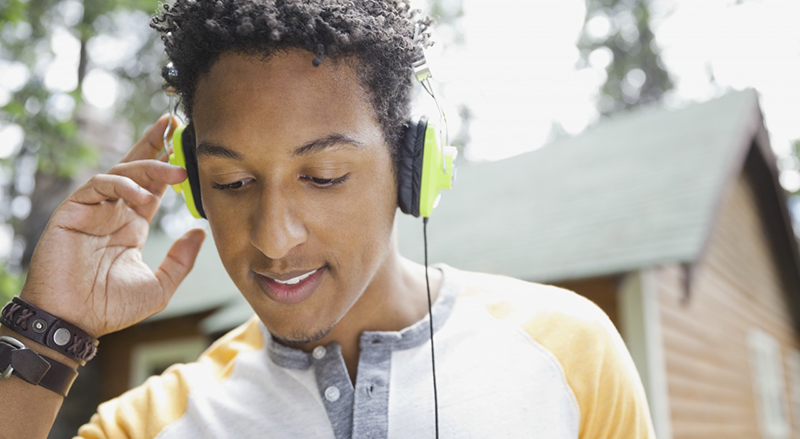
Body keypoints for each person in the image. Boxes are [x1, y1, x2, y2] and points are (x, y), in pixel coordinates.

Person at [0, 1, 656, 438]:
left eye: (323, 176)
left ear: (411, 164)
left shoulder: (570, 354)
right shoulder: (155, 421)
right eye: (231, 181)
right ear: (196, 184)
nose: (272, 235)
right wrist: (47, 331)